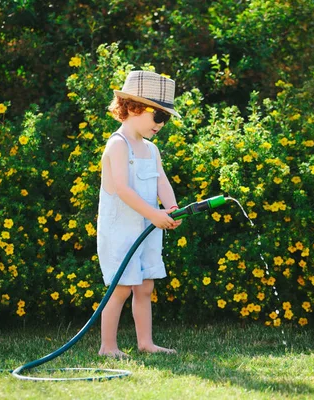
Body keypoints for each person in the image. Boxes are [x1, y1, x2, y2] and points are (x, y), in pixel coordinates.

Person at [97, 70, 183, 357]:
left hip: (147, 227)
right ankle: (108, 347)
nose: (161, 124)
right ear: (133, 108)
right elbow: (122, 189)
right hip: (121, 230)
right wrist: (154, 214)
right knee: (121, 288)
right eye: (158, 117)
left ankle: (145, 343)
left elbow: (161, 180)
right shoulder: (118, 145)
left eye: (165, 119)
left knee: (145, 287)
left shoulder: (151, 149)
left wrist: (171, 208)